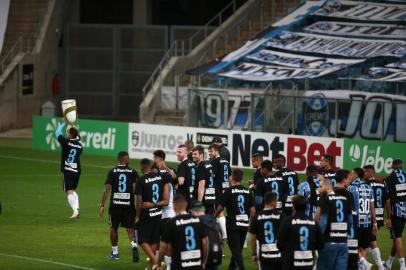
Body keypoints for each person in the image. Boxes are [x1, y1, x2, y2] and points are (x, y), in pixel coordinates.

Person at [99, 151, 139, 261]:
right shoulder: (133, 172)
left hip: (115, 205)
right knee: (130, 228)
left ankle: (115, 252)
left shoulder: (112, 171)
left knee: (113, 227)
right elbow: (136, 190)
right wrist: (137, 206)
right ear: (125, 159)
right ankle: (134, 246)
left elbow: (107, 189)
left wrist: (102, 204)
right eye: (128, 158)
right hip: (129, 205)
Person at [215, 169, 255, 270]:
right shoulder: (248, 191)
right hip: (244, 225)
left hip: (233, 225)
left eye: (230, 175)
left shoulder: (229, 191)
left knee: (235, 250)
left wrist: (213, 217)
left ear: (232, 177)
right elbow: (253, 210)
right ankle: (231, 267)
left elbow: (220, 207)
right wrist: (250, 222)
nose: (228, 177)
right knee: (238, 250)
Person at [156, 194, 208, 270]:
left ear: (173, 206)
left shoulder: (171, 223)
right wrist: (203, 261)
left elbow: (163, 247)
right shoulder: (198, 220)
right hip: (196, 264)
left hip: (179, 264)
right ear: (186, 204)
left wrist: (159, 263)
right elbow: (204, 243)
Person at [135, 158, 170, 270]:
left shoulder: (141, 180)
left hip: (146, 215)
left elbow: (139, 201)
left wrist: (137, 216)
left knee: (141, 239)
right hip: (158, 213)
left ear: (142, 167)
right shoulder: (161, 177)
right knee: (154, 240)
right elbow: (166, 199)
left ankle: (156, 263)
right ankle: (150, 267)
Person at [277, 195, 324, 270]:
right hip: (307, 262)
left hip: (291, 263)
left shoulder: (287, 221)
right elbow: (320, 244)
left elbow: (280, 243)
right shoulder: (313, 222)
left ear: (293, 206)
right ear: (306, 206)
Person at [315, 177, 353, 270]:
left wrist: (318, 238)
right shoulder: (345, 199)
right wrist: (345, 233)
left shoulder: (326, 200)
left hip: (329, 242)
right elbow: (351, 220)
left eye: (320, 186)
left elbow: (323, 222)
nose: (318, 189)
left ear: (327, 187)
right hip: (343, 243)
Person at [348, 167, 378, 270]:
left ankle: (364, 263)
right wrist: (374, 223)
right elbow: (372, 207)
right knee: (363, 247)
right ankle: (363, 267)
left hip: (355, 223)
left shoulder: (350, 188)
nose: (350, 176)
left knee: (351, 246)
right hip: (367, 222)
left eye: (351, 174)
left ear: (356, 175)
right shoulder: (369, 188)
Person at [151, 152, 175, 270]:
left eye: (154, 157)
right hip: (163, 211)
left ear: (158, 158)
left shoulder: (165, 172)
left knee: (166, 240)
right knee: (160, 238)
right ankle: (159, 261)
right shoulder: (163, 172)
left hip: (167, 210)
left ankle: (167, 264)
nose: (153, 159)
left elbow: (175, 180)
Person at [54, 122, 83, 218]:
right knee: (73, 191)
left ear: (70, 135)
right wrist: (73, 129)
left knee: (68, 192)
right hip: (77, 171)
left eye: (68, 133)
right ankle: (77, 209)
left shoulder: (66, 142)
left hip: (68, 170)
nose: (67, 134)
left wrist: (64, 123)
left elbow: (57, 132)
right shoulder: (80, 146)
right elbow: (78, 138)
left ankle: (75, 211)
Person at [249, 191, 282, 270]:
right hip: (279, 255)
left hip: (265, 255)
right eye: (276, 201)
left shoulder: (257, 217)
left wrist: (254, 253)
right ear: (273, 202)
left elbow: (253, 238)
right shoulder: (281, 217)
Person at [384, 159, 406, 270]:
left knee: (397, 237)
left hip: (396, 211)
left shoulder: (388, 179)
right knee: (396, 237)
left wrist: (388, 217)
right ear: (401, 166)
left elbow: (387, 199)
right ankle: (389, 263)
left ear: (392, 166)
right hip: (405, 210)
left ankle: (403, 266)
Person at [364, 165, 387, 270]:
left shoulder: (367, 185)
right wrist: (388, 216)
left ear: (369, 172)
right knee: (369, 241)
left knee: (371, 241)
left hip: (370, 217)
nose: (363, 174)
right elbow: (387, 200)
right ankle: (365, 263)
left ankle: (380, 266)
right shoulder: (382, 184)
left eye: (364, 172)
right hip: (380, 215)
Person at [190, 200, 223, 270]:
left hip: (202, 259)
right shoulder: (213, 220)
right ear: (204, 209)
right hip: (216, 255)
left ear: (191, 210)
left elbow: (204, 242)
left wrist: (203, 261)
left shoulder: (195, 222)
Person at [209, 143, 231, 241]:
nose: (209, 153)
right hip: (226, 188)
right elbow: (229, 176)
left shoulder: (215, 162)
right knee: (222, 210)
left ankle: (225, 234)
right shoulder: (225, 161)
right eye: (209, 151)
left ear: (217, 151)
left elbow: (212, 176)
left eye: (211, 151)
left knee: (219, 211)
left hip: (218, 189)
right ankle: (222, 233)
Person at [193, 145, 216, 215]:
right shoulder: (209, 164)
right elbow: (212, 176)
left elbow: (201, 185)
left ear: (201, 155)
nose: (193, 156)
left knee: (201, 223)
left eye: (195, 154)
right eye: (192, 154)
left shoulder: (200, 167)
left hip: (204, 200)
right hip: (211, 198)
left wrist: (199, 203)